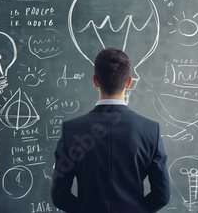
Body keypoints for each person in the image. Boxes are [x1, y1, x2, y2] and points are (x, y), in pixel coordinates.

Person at [51, 48, 170, 212]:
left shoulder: (70, 130)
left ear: (95, 80)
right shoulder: (151, 130)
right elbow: (161, 196)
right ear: (129, 82)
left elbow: (60, 197)